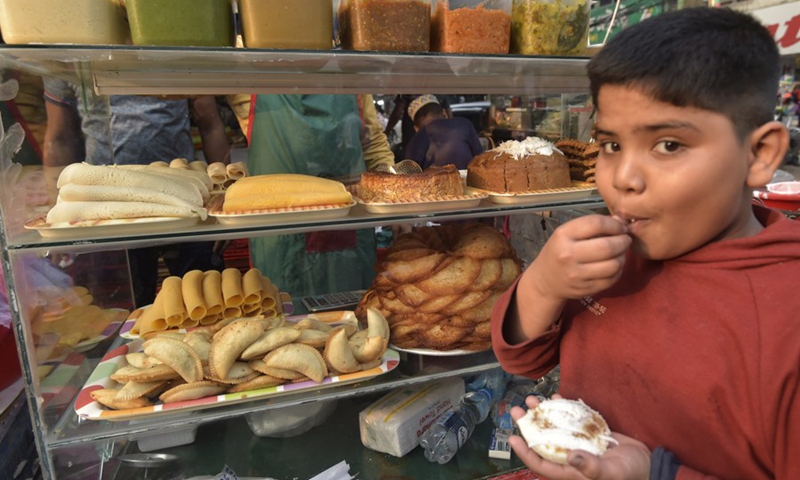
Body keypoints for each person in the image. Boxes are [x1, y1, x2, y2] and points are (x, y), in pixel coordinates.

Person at [491, 7, 800, 480]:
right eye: (611, 145)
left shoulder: (784, 319)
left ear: (759, 155)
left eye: (669, 145)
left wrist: (654, 474)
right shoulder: (619, 254)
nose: (624, 179)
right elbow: (522, 357)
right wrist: (545, 283)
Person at [42, 80, 231, 307]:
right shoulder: (71, 52)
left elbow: (209, 124)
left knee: (209, 304)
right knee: (120, 314)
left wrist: (225, 203)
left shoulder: (172, 49)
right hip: (106, 209)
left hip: (186, 200)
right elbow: (60, 137)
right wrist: (56, 218)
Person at [246, 94, 394, 301]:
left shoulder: (351, 79)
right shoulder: (250, 79)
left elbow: (373, 145)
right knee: (283, 321)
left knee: (354, 316)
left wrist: (395, 194)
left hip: (345, 223)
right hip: (280, 229)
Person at [403, 94, 484, 170]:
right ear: (444, 113)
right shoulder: (464, 124)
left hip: (435, 184)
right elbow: (481, 159)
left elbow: (409, 177)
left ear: (416, 128)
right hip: (468, 183)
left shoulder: (414, 142)